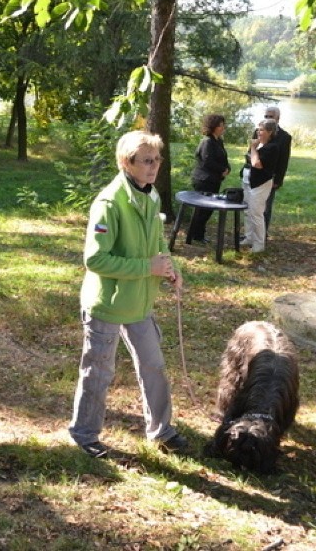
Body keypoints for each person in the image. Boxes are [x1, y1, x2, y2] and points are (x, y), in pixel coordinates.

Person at [68, 130, 188, 459]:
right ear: (127, 162)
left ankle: (161, 431)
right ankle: (84, 434)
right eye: (147, 161)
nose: (155, 166)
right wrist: (146, 268)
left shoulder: (151, 196)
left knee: (154, 367)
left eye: (158, 160)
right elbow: (94, 259)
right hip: (106, 304)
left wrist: (169, 270)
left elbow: (158, 246)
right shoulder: (109, 202)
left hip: (140, 304)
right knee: (98, 372)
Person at [187, 114, 230, 244]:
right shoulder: (207, 141)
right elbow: (207, 161)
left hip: (214, 180)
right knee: (202, 209)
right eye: (221, 125)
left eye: (223, 125)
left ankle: (199, 234)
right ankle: (195, 235)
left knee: (208, 209)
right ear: (214, 127)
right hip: (204, 180)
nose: (223, 128)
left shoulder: (219, 141)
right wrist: (221, 170)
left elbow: (223, 158)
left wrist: (228, 168)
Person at [241, 119, 280, 253]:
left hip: (261, 183)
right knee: (248, 211)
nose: (259, 132)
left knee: (256, 213)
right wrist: (254, 147)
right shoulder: (260, 145)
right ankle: (249, 237)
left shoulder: (272, 147)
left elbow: (256, 163)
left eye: (262, 130)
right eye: (258, 129)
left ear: (270, 132)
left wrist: (252, 148)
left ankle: (259, 244)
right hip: (251, 181)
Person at [261, 106, 292, 237]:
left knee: (266, 208)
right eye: (266, 116)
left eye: (271, 117)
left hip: (271, 177)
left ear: (278, 119)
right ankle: (251, 233)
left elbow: (284, 161)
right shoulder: (258, 132)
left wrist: (278, 180)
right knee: (253, 207)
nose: (268, 119)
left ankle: (262, 234)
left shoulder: (285, 137)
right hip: (256, 175)